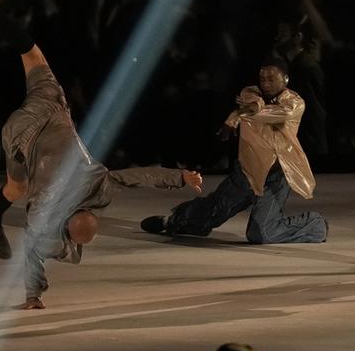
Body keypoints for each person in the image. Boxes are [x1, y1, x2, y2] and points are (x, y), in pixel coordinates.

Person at [0, 17, 203, 309]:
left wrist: (182, 177)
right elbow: (32, 249)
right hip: (19, 134)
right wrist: (32, 296)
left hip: (50, 107)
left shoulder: (98, 184)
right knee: (16, 187)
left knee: (32, 53)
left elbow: (139, 176)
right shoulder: (46, 215)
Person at [139, 58, 327, 244]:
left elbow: (278, 114)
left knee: (261, 234)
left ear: (285, 79)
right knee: (214, 211)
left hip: (278, 175)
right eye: (263, 79)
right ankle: (171, 220)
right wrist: (239, 115)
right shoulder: (251, 92)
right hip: (248, 171)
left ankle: (314, 225)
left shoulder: (295, 102)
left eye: (271, 79)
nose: (266, 83)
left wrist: (242, 114)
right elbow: (251, 102)